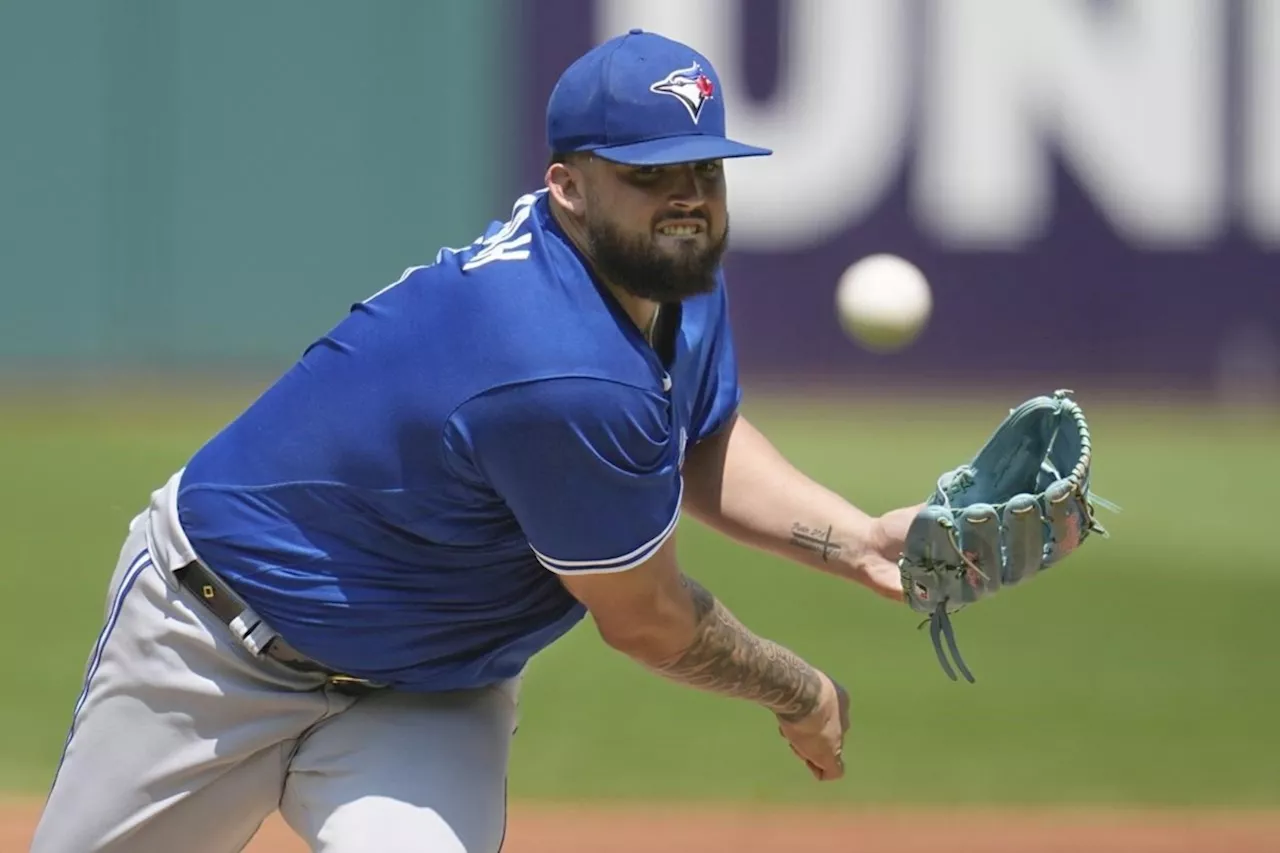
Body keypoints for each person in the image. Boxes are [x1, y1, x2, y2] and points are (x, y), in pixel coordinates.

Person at [32, 28, 917, 853]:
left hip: (430, 694)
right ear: (566, 187)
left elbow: (695, 435)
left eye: (704, 170)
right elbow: (650, 621)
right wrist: (798, 690)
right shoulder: (558, 365)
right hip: (215, 644)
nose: (686, 200)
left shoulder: (667, 274)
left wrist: (862, 543)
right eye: (649, 176)